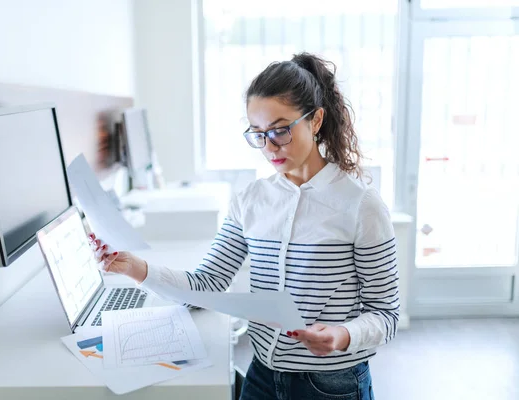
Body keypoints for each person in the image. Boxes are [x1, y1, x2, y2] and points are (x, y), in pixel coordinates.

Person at [90, 52, 398, 400]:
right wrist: (136, 268)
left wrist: (342, 335)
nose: (269, 147)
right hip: (262, 377)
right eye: (258, 134)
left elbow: (386, 314)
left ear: (315, 121)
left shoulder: (361, 205)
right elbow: (207, 284)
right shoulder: (251, 199)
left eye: (280, 131)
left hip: (331, 385)